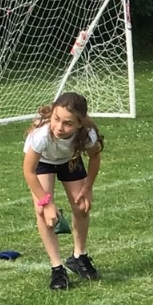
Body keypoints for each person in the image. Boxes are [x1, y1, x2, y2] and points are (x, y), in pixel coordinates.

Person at [22, 91, 102, 290]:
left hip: (69, 159)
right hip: (42, 162)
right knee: (43, 212)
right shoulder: (41, 135)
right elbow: (29, 171)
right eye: (56, 119)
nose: (59, 127)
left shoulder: (88, 135)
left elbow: (95, 158)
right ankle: (57, 268)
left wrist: (88, 187)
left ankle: (79, 256)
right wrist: (47, 203)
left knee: (82, 207)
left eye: (68, 123)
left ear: (80, 123)